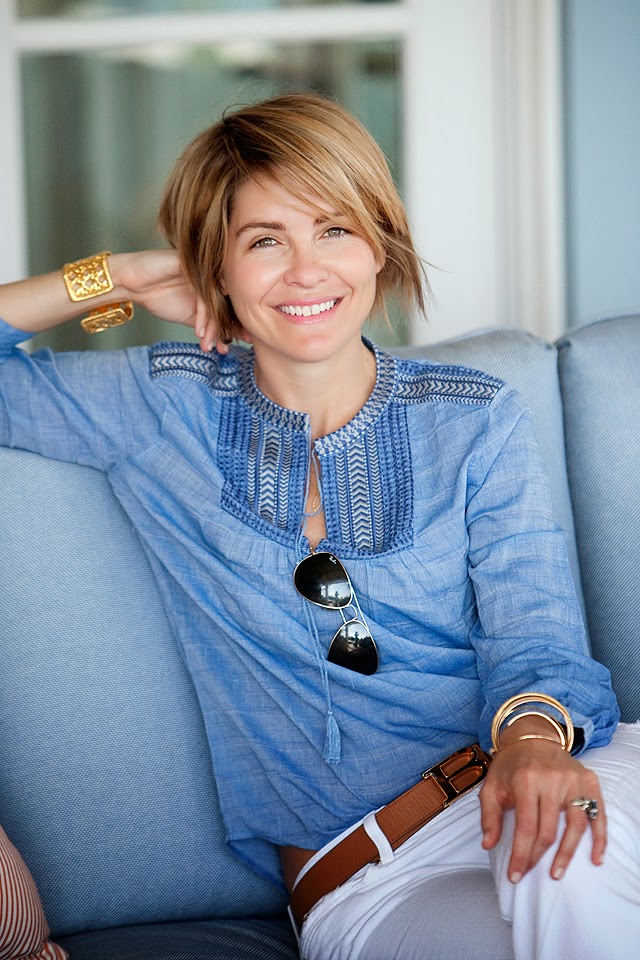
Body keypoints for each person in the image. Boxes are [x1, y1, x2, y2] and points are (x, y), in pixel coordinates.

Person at [0, 93, 638, 960]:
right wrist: (115, 277)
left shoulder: (474, 417)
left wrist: (531, 744)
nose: (307, 271)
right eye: (265, 241)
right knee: (565, 885)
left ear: (379, 246)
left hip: (546, 776)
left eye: (335, 230)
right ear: (218, 267)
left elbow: (537, 632)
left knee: (570, 866)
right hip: (368, 880)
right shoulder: (162, 404)